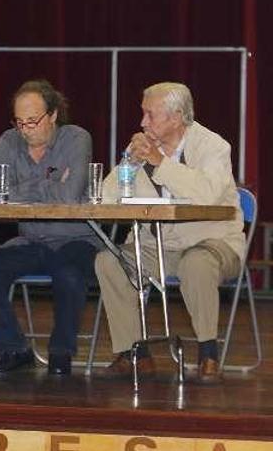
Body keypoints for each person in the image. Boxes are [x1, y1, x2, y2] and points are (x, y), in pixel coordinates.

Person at [95, 82, 245, 382]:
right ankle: (134, 353)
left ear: (176, 117)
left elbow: (207, 195)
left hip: (212, 244)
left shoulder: (213, 146)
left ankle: (208, 352)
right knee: (109, 261)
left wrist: (160, 163)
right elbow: (106, 198)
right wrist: (130, 162)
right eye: (143, 115)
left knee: (196, 263)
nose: (142, 123)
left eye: (150, 115)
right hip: (157, 248)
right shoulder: (140, 148)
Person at [0, 79, 100, 376]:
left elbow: (68, 197)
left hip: (75, 239)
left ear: (53, 115)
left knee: (69, 275)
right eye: (20, 122)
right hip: (32, 240)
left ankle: (60, 352)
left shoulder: (76, 138)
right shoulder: (8, 141)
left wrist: (22, 189)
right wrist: (51, 182)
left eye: (33, 121)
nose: (26, 129)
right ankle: (14, 348)